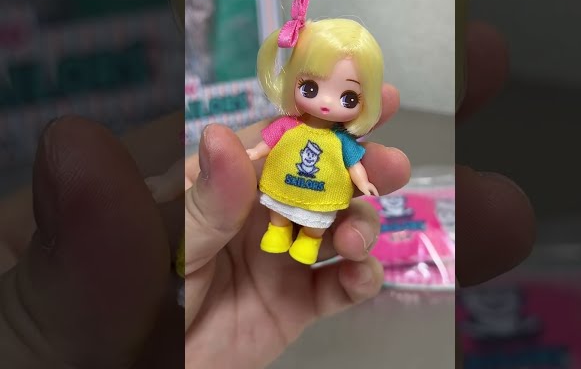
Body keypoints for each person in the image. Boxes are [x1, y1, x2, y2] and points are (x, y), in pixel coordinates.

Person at [0, 21, 534, 367]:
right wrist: (247, 156)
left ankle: (301, 243)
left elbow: (357, 165)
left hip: (320, 202)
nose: (325, 103)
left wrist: (366, 185)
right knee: (279, 222)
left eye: (346, 96)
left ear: (361, 102)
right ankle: (284, 237)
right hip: (277, 192)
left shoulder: (342, 142)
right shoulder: (287, 127)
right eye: (312, 88)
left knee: (316, 234)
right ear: (294, 84)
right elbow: (262, 147)